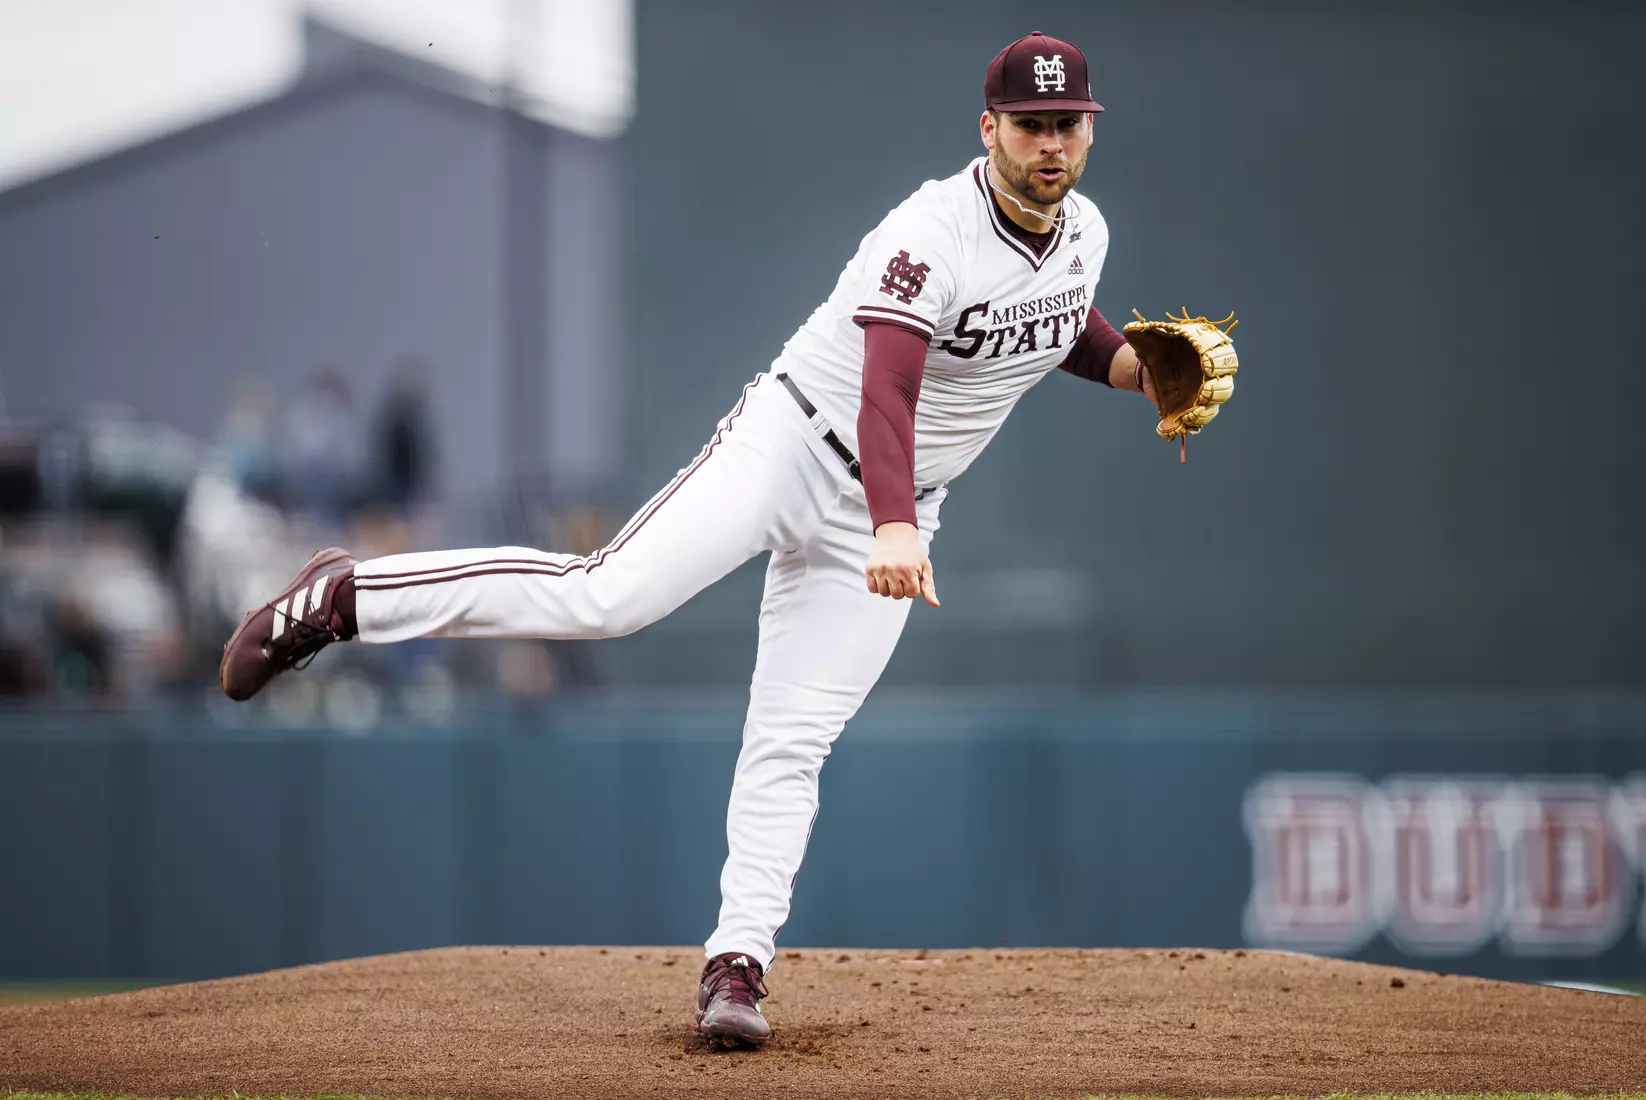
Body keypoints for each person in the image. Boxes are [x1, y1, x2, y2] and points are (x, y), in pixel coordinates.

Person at [221, 32, 1185, 1045]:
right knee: (606, 595)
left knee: (792, 740)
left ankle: (737, 967)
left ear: (1087, 128)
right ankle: (344, 598)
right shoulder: (929, 230)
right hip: (796, 442)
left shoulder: (1086, 232)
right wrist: (895, 523)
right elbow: (885, 390)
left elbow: (1054, 318)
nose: (1049, 144)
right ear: (987, 127)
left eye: (1066, 124)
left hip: (899, 503)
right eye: (1028, 124)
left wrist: (1133, 371)